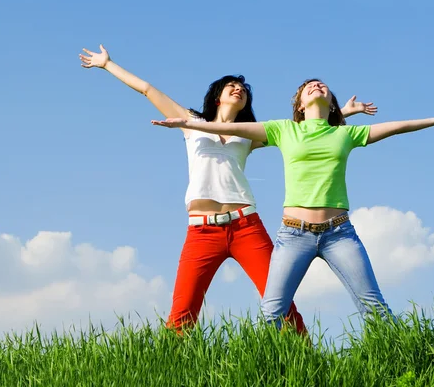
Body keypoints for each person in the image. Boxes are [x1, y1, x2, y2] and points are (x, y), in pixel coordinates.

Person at [79, 48, 373, 332]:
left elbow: (306, 134)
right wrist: (107, 64)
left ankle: (306, 363)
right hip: (201, 232)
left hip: (247, 226)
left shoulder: (247, 136)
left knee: (280, 306)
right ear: (217, 97)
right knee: (182, 313)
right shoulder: (192, 123)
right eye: (231, 86)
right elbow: (147, 89)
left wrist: (342, 111)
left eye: (243, 90)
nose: (238, 90)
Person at [153, 78, 434, 329]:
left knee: (372, 305)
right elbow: (225, 127)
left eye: (322, 85)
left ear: (330, 103)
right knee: (271, 312)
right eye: (308, 86)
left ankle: (400, 360)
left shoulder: (344, 134)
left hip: (336, 232)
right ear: (299, 105)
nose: (316, 85)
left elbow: (394, 127)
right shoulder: (284, 129)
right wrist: (188, 124)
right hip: (292, 234)